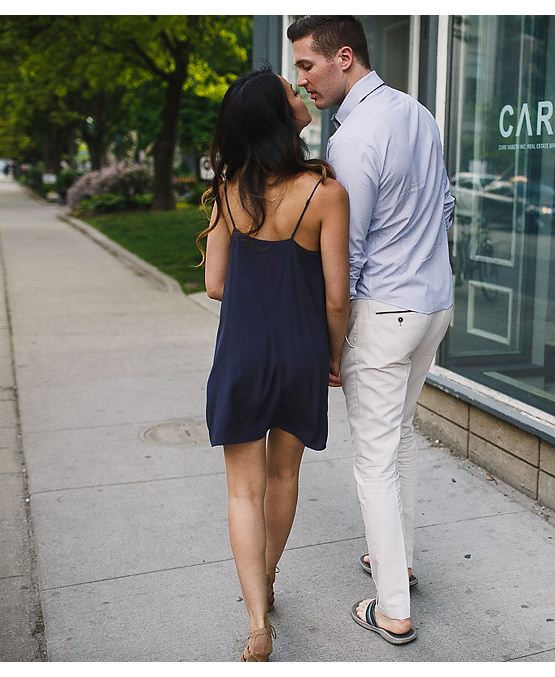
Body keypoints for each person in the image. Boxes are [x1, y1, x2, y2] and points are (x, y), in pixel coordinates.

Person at [288, 16, 455, 645]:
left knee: (375, 462)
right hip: (433, 303)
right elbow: (445, 205)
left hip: (383, 312)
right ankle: (401, 563)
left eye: (307, 65)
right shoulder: (418, 113)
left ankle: (392, 609)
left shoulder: (354, 138)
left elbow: (346, 255)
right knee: (401, 441)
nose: (302, 82)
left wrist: (335, 345)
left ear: (344, 57)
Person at [196, 66, 350, 661]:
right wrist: (332, 355)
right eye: (291, 91)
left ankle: (257, 621)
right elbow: (337, 297)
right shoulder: (324, 192)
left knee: (243, 491)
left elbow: (214, 284)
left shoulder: (229, 193)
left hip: (242, 353)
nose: (300, 93)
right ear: (281, 118)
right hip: (300, 352)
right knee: (284, 478)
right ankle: (269, 576)